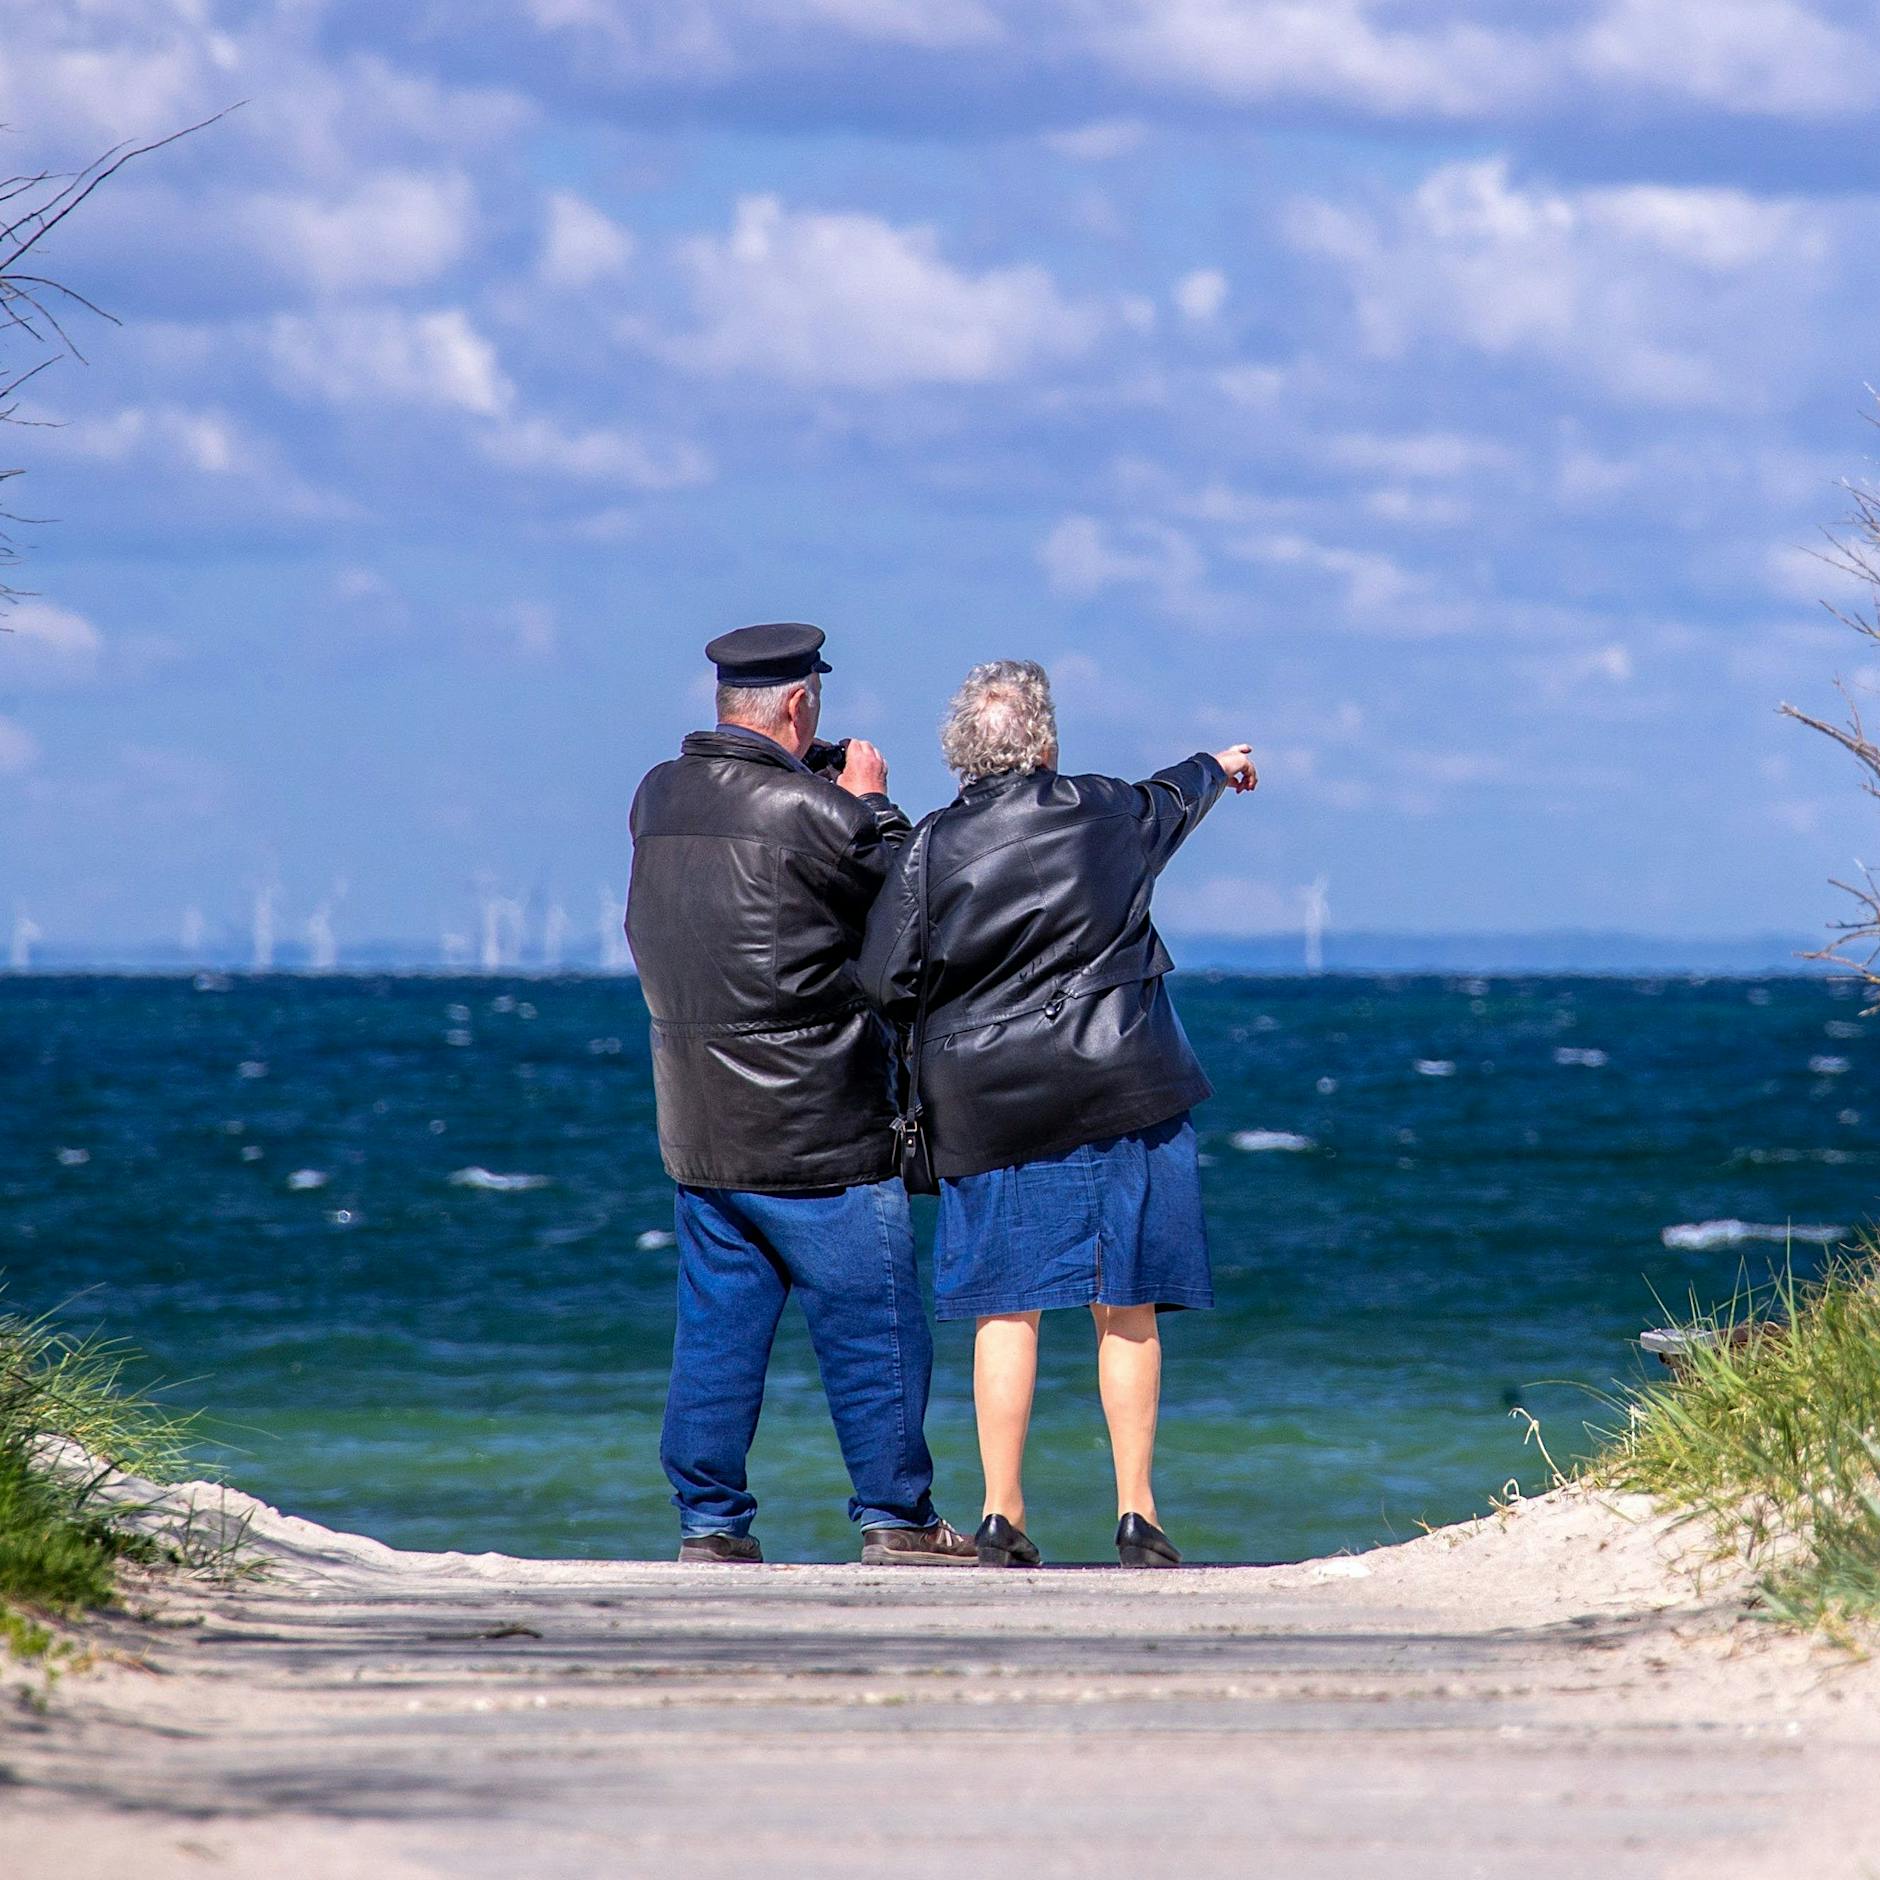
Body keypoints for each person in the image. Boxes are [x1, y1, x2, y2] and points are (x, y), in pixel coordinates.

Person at [859, 659, 1256, 1569]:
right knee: (1128, 1306)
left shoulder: (929, 849)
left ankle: (999, 1512)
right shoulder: (1106, 808)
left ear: (962, 751)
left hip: (989, 1107)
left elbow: (884, 979)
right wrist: (1219, 764)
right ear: (1044, 743)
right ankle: (1136, 1512)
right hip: (1127, 1086)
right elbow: (1174, 797)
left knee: (1009, 1309)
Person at [626, 622, 975, 1566]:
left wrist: (821, 794)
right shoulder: (817, 814)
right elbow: (914, 897)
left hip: (700, 1124)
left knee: (717, 1337)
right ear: (798, 704)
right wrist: (871, 801)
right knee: (875, 1332)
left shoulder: (657, 795)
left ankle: (709, 1523)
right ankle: (896, 1518)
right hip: (818, 1122)